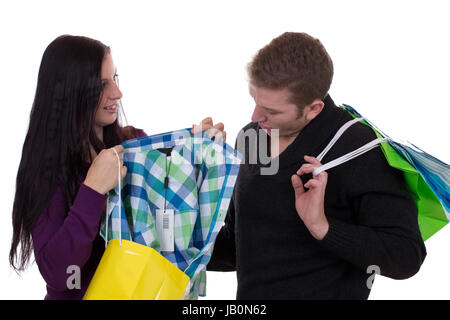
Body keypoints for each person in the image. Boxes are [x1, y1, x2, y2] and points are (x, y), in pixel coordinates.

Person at [207, 32, 427, 299]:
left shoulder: (358, 149)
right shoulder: (253, 137)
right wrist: (191, 193)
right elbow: (238, 247)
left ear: (313, 109)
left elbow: (406, 257)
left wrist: (322, 227)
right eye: (255, 101)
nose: (255, 117)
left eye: (272, 111)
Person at [9, 35, 225, 300]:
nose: (117, 93)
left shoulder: (135, 144)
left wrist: (197, 161)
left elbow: (180, 230)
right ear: (71, 91)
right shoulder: (46, 172)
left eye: (115, 78)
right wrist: (93, 189)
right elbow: (60, 275)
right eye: (102, 84)